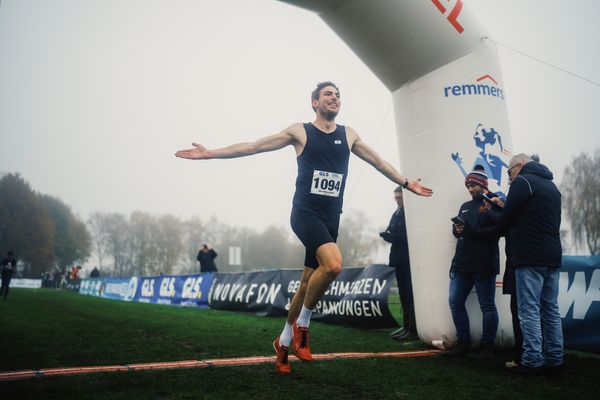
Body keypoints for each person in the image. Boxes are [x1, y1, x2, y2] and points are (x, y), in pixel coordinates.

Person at [176, 81, 433, 374]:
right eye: (328, 94)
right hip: (305, 213)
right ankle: (303, 326)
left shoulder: (349, 135)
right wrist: (210, 153)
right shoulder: (300, 132)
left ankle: (283, 344)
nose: (334, 98)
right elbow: (253, 146)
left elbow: (378, 161)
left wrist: (406, 182)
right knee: (334, 265)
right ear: (314, 102)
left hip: (330, 217)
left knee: (306, 282)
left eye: (338, 95)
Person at [489, 154, 563, 376]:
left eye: (509, 172)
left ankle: (531, 360)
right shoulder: (551, 186)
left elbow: (507, 219)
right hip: (552, 254)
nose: (509, 178)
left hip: (529, 255)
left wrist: (498, 207)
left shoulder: (523, 181)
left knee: (529, 309)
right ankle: (555, 359)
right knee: (550, 310)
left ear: (519, 166)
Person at [442, 168, 500, 358]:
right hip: (462, 263)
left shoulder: (493, 203)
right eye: (467, 185)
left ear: (483, 185)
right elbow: (459, 231)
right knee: (455, 301)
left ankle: (487, 346)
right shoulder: (465, 205)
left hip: (484, 263)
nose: (470, 188)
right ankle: (464, 342)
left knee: (487, 306)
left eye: (473, 185)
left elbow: (497, 232)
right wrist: (457, 229)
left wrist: (469, 231)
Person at [380, 186, 417, 341]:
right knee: (403, 294)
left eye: (399, 198)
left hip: (408, 258)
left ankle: (413, 329)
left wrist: (390, 237)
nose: (397, 201)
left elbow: (407, 238)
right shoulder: (396, 213)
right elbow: (392, 232)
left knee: (409, 294)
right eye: (395, 198)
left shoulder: (410, 214)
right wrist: (387, 236)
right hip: (397, 258)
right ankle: (406, 326)